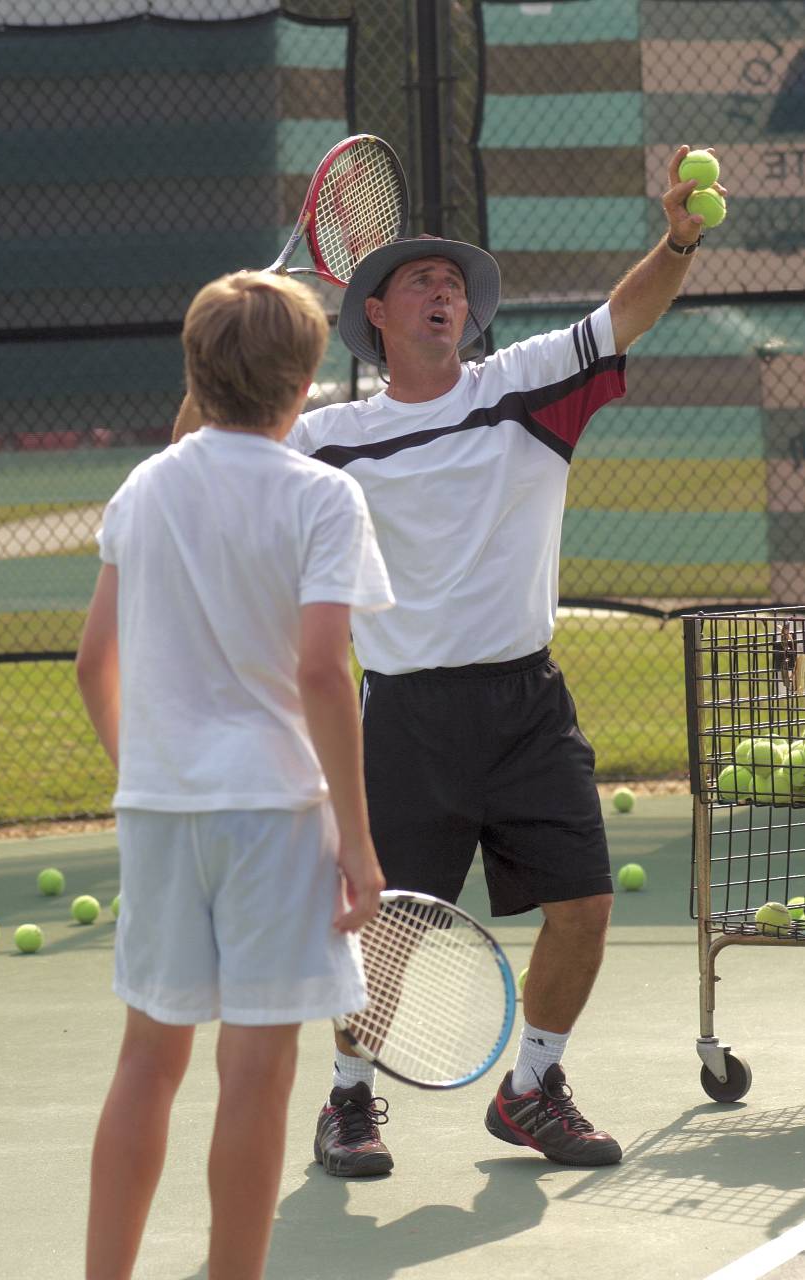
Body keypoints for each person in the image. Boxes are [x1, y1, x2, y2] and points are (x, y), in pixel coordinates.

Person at [173, 145, 725, 1177]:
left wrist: (680, 240)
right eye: (421, 278)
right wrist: (227, 336)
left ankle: (531, 1090)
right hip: (404, 718)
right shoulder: (328, 436)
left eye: (455, 282)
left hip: (528, 703)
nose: (446, 290)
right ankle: (348, 1102)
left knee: (587, 903)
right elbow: (203, 453)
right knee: (380, 932)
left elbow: (626, 313)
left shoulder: (525, 386)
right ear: (374, 312)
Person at [76, 269, 394, 1279]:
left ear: (195, 369)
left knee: (146, 1060)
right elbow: (320, 672)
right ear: (305, 382)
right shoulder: (325, 497)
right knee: (255, 1071)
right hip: (273, 813)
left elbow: (94, 663)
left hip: (163, 809)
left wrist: (153, 772)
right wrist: (358, 836)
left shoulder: (145, 485)